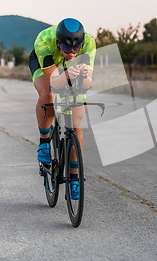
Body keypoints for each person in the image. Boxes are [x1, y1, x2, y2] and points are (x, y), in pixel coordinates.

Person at [28, 18, 96, 199]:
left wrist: (82, 77)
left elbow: (88, 84)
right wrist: (65, 75)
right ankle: (44, 142)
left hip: (70, 70)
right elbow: (55, 82)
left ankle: (75, 178)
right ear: (59, 43)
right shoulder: (44, 41)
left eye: (76, 48)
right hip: (47, 67)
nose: (72, 53)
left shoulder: (89, 43)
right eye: (67, 48)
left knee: (76, 122)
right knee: (47, 95)